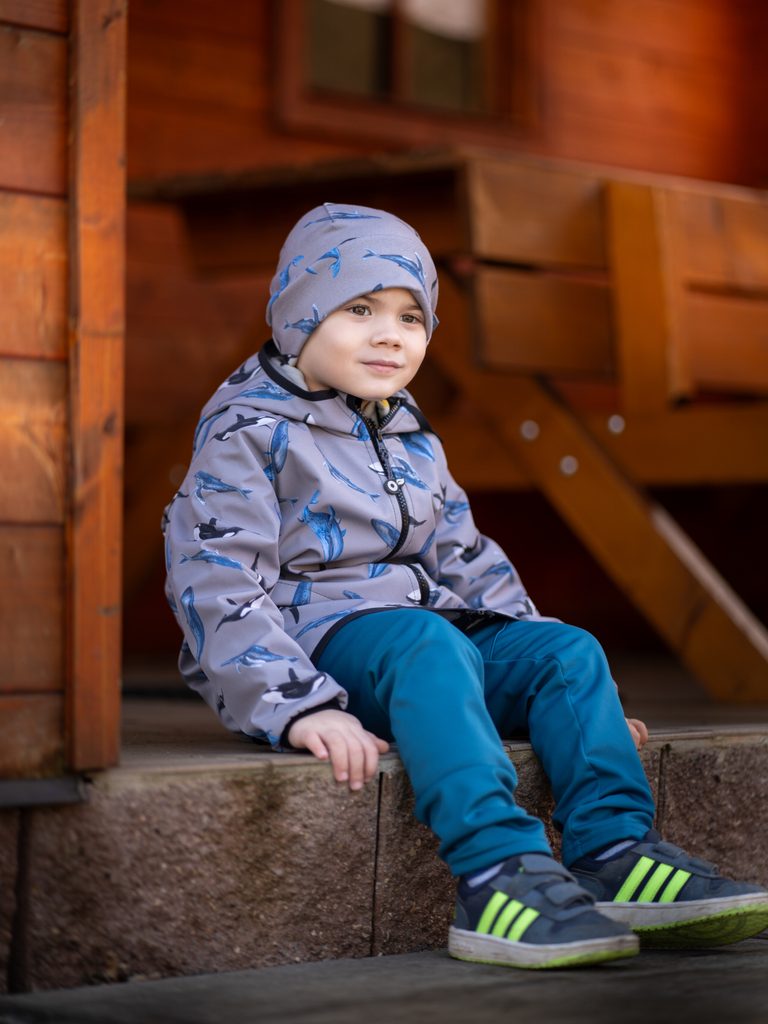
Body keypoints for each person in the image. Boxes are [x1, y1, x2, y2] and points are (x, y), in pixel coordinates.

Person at [163, 202, 768, 969]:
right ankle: (496, 874)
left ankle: (615, 853)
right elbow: (215, 581)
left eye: (411, 317)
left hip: (425, 642)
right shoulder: (247, 431)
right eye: (359, 309)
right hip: (317, 649)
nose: (391, 335)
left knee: (567, 651)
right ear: (297, 314)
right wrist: (297, 707)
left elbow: (466, 557)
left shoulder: (405, 428)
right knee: (428, 642)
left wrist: (578, 707)